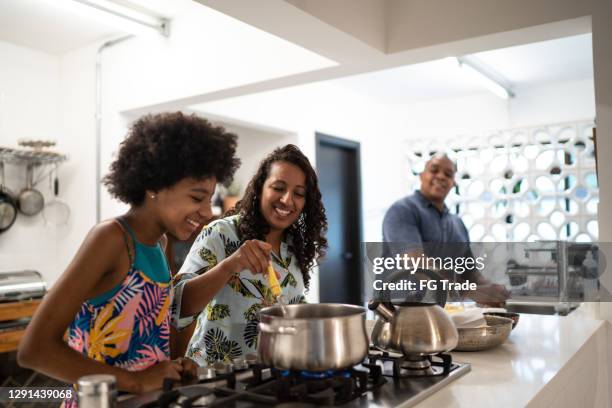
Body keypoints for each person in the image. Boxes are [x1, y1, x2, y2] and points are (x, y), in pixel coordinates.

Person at [18, 112, 240, 396]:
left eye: (209, 199)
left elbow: (146, 341)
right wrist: (134, 381)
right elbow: (34, 350)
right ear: (153, 186)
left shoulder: (159, 245)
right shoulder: (111, 239)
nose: (208, 212)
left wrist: (173, 366)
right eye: (197, 198)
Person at [171, 144, 327, 365]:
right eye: (278, 187)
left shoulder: (294, 247)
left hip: (271, 377)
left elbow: (291, 306)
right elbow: (178, 305)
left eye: (299, 193)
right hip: (215, 378)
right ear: (260, 188)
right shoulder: (222, 233)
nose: (287, 200)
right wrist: (230, 266)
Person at [382, 153, 509, 305]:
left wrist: (493, 290)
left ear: (453, 183)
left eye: (448, 174)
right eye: (434, 170)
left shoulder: (458, 223)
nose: (441, 177)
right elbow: (418, 266)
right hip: (400, 311)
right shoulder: (402, 211)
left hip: (443, 312)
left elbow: (471, 273)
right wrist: (470, 292)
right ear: (422, 176)